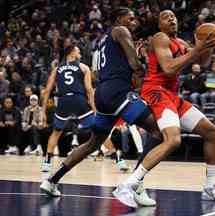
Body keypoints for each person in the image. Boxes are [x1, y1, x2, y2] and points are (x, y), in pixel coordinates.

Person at [113, 10, 215, 208]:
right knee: (173, 140)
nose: (172, 18)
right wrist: (197, 49)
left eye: (174, 16)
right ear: (159, 24)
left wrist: (208, 46)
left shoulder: (182, 43)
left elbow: (201, 63)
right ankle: (128, 185)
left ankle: (211, 186)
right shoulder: (159, 38)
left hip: (172, 96)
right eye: (165, 16)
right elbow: (169, 68)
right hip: (155, 91)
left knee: (212, 132)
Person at [40, 8, 163, 203]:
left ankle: (51, 180)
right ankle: (136, 185)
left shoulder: (102, 42)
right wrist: (142, 70)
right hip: (118, 93)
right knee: (157, 131)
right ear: (118, 19)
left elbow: (99, 71)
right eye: (129, 18)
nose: (134, 21)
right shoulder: (121, 31)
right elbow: (134, 63)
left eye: (134, 18)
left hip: (103, 93)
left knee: (93, 144)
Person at [40, 43, 96, 173]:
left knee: (56, 132)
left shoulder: (57, 68)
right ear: (71, 53)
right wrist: (94, 108)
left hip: (63, 101)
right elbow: (89, 90)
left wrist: (43, 111)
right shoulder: (83, 67)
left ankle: (47, 162)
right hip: (78, 100)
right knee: (98, 130)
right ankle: (118, 159)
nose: (80, 54)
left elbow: (47, 90)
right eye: (78, 52)